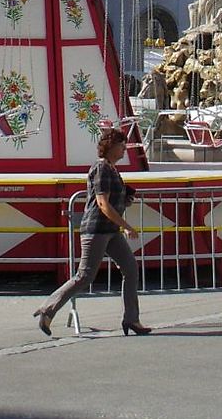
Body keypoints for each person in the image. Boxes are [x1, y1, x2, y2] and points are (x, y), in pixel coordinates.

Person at [33, 126, 152, 337]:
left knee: (131, 269)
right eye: (121, 145)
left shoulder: (113, 169)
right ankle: (48, 309)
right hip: (96, 229)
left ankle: (132, 319)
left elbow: (111, 203)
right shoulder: (101, 168)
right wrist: (127, 226)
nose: (124, 149)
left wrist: (125, 200)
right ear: (110, 146)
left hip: (110, 230)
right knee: (85, 276)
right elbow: (102, 204)